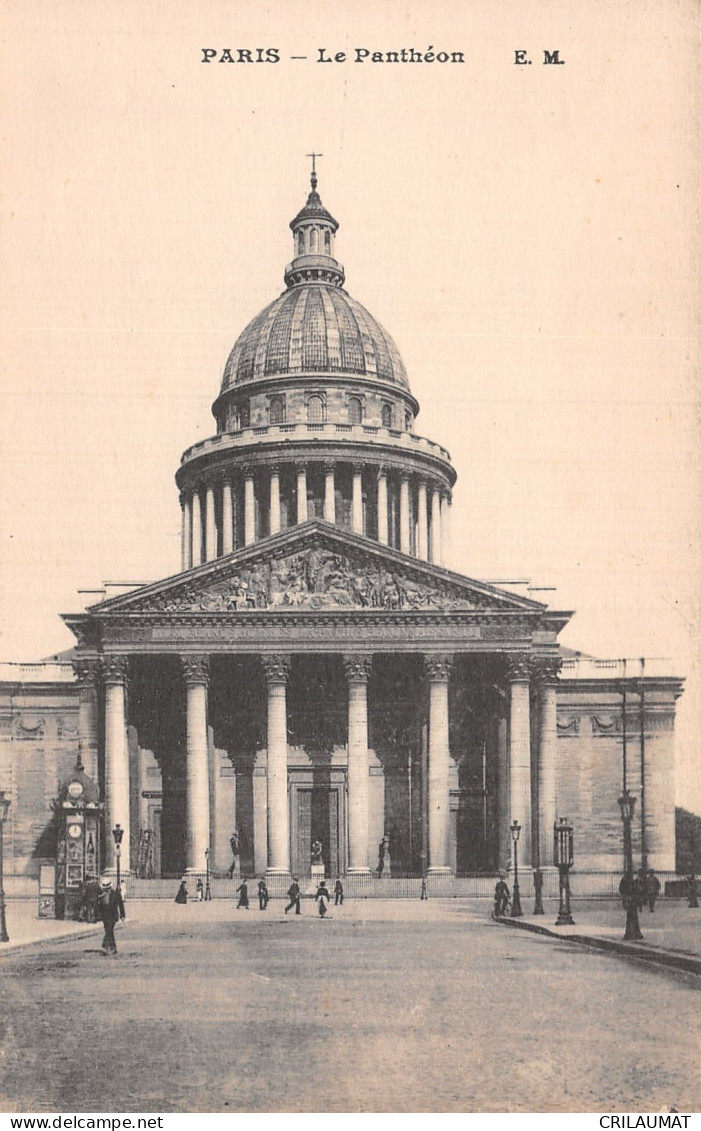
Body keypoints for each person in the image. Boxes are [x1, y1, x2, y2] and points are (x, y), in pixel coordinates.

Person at [98, 879, 125, 955]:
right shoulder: (101, 895)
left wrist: (122, 915)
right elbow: (99, 906)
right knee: (108, 930)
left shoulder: (115, 894)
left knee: (109, 930)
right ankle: (111, 947)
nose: (106, 889)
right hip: (105, 915)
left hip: (113, 915)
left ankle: (107, 946)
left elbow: (120, 905)